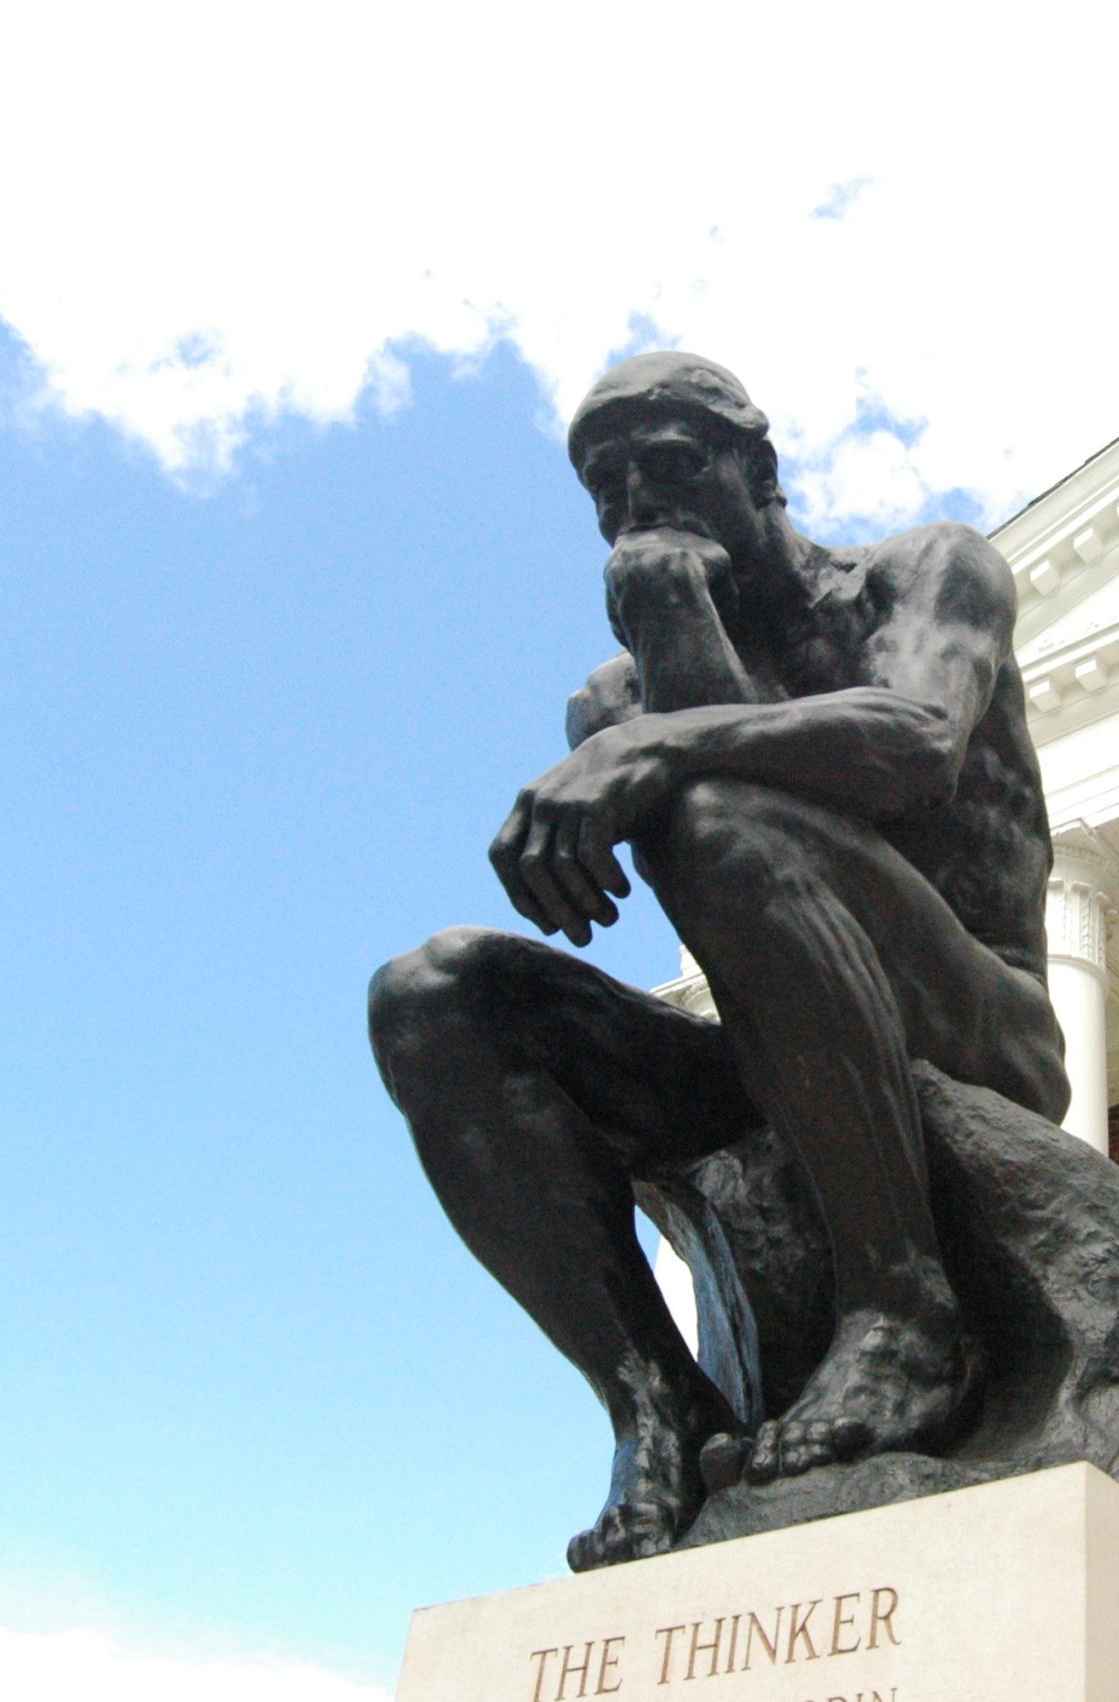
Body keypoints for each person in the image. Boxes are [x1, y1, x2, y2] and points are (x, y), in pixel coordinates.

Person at [368, 352, 1069, 1570]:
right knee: (432, 993)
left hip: (977, 1021)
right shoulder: (618, 696)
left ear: (758, 467)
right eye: (605, 483)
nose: (636, 499)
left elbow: (912, 748)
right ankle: (655, 1404)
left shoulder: (923, 572)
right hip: (779, 1040)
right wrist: (665, 665)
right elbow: (726, 910)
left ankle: (906, 1311)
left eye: (670, 462)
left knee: (708, 811)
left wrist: (660, 748)